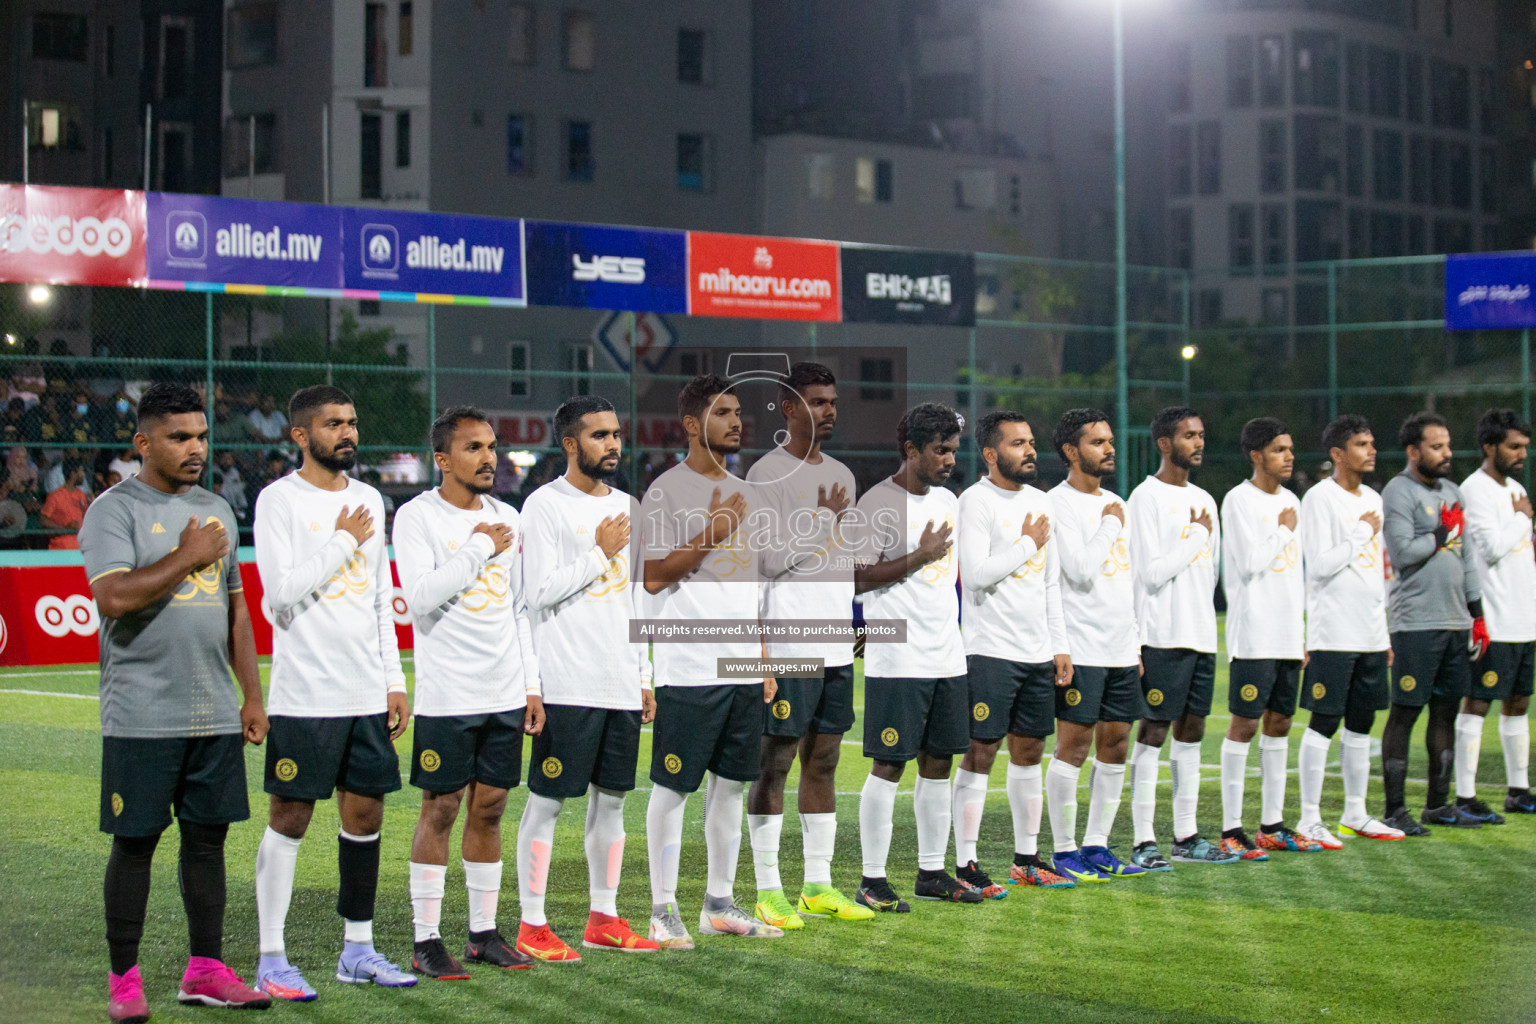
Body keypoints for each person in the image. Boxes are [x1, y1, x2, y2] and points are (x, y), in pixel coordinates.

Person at [80, 382, 271, 1022]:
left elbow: (237, 610)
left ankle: (205, 970)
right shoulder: (113, 511)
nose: (195, 448)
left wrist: (251, 694)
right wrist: (187, 555)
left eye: (200, 435)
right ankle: (124, 979)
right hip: (141, 714)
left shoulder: (217, 505)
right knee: (135, 843)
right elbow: (112, 599)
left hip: (214, 711)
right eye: (179, 437)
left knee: (208, 844)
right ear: (143, 443)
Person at [252, 385, 416, 1000]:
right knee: (290, 817)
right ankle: (272, 956)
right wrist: (344, 539)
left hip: (364, 693)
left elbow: (378, 599)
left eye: (351, 422)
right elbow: (280, 594)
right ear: (300, 435)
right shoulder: (279, 501)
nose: (346, 433)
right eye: (332, 424)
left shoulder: (370, 498)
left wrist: (394, 680)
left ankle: (358, 948)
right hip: (305, 695)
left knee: (366, 815)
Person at [394, 406, 545, 977]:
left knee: (491, 807)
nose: (490, 458)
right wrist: (479, 547)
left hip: (504, 690)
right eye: (475, 448)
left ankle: (483, 933)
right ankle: (426, 939)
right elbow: (420, 598)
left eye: (492, 446)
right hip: (449, 694)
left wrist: (531, 685)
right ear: (442, 459)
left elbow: (519, 609)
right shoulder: (417, 517)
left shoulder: (508, 515)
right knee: (441, 808)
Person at [640, 374, 784, 947]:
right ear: (692, 426)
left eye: (738, 411)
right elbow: (653, 578)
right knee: (674, 789)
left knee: (731, 786)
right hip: (692, 668)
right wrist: (713, 530)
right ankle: (662, 908)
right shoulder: (665, 491)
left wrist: (764, 656)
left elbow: (749, 586)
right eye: (723, 412)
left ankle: (718, 903)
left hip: (742, 669)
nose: (736, 421)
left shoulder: (748, 492)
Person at [519, 396, 663, 957]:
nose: (614, 445)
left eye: (617, 434)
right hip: (566, 681)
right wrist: (600, 554)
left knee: (613, 804)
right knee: (548, 803)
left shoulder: (629, 504)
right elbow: (538, 594)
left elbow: (634, 601)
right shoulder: (543, 506)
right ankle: (533, 923)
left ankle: (603, 916)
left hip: (619, 682)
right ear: (570, 444)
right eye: (600, 435)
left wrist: (644, 674)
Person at [744, 363, 873, 929]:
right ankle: (768, 890)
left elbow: (846, 558)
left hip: (835, 643)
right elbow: (765, 561)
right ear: (787, 406)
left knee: (824, 759)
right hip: (789, 641)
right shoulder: (765, 474)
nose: (828, 411)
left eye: (833, 401)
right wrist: (820, 524)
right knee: (773, 763)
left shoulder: (844, 473)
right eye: (816, 401)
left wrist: (856, 615)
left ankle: (818, 885)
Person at [853, 402, 982, 911]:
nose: (950, 459)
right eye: (940, 450)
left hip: (946, 655)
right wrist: (919, 557)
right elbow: (857, 577)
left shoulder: (948, 501)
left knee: (939, 763)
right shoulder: (876, 504)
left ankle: (931, 872)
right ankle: (871, 879)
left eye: (953, 450)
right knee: (889, 763)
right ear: (911, 451)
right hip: (898, 656)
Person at [953, 412, 1069, 896]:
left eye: (1031, 441)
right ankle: (966, 862)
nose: (1030, 450)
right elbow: (976, 574)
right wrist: (1027, 541)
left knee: (1030, 752)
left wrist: (1060, 645)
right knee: (982, 751)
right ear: (990, 453)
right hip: (990, 651)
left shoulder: (1043, 503)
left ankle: (1026, 857)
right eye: (1018, 443)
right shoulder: (974, 501)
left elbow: (1050, 583)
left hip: (1037, 651)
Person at [1127, 406, 1237, 866]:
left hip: (1200, 635)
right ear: (1165, 444)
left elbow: (1209, 576)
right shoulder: (1144, 498)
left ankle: (1187, 836)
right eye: (1189, 435)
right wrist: (1193, 537)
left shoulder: (1206, 499)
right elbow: (1149, 575)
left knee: (1191, 734)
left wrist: (1196, 540)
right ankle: (1143, 840)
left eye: (1202, 434)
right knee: (1152, 732)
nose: (1199, 442)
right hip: (1161, 635)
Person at [1044, 409, 1149, 881]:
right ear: (1071, 451)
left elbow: (1129, 581)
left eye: (1110, 440)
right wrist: (1108, 524)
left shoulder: (1117, 501)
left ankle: (1098, 846)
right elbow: (1079, 570)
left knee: (1117, 744)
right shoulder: (1057, 504)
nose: (1109, 448)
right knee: (1075, 745)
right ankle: (1064, 851)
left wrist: (1138, 642)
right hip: (1081, 648)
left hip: (1120, 649)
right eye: (1097, 442)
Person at [1218, 418, 1322, 855]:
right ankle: (1230, 829)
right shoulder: (1238, 500)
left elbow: (1293, 576)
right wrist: (1281, 528)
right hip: (1254, 634)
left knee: (1279, 725)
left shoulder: (1292, 500)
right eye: (1280, 449)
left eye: (1290, 448)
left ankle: (1273, 825)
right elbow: (1249, 564)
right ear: (1256, 455)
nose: (1289, 456)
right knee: (1244, 726)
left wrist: (1299, 633)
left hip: (1284, 634)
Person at [1380, 412, 1487, 832]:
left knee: (1446, 714)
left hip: (1456, 622)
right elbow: (1403, 552)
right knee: (1405, 713)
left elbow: (1467, 557)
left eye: (1447, 445)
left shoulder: (1452, 491)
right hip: (1416, 625)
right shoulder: (1398, 492)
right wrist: (1441, 533)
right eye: (1437, 446)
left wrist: (1478, 616)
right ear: (1413, 451)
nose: (1447, 453)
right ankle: (1395, 810)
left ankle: (1438, 806)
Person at [1296, 415, 1398, 847]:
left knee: (1362, 723)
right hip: (1333, 632)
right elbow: (1319, 566)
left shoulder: (1373, 497)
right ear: (1338, 454)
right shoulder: (1319, 499)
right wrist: (1360, 532)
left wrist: (1385, 630)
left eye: (1372, 442)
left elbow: (1377, 570)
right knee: (1324, 722)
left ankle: (1355, 812)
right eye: (1361, 444)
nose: (1371, 450)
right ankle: (1308, 818)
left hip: (1371, 632)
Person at [1457, 409, 1535, 815]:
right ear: (1490, 447)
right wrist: (1524, 518)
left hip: (1524, 617)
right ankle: (1465, 796)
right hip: (1494, 617)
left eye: (1524, 446)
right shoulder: (1474, 490)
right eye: (1514, 446)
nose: (1522, 453)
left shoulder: (1516, 488)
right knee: (1478, 702)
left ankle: (1518, 790)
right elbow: (1491, 548)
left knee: (1519, 702)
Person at [41, 458, 91, 549]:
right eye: (81, 471)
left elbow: (85, 515)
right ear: (73, 474)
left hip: (80, 547)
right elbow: (43, 520)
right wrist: (65, 528)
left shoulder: (80, 494)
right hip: (61, 548)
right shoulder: (55, 496)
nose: (83, 475)